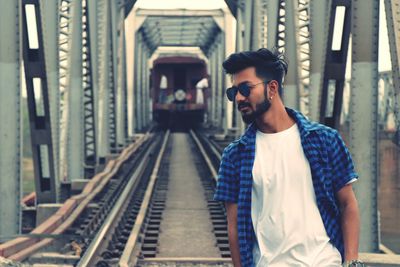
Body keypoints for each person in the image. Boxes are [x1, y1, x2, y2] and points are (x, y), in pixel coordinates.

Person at [214, 48, 363, 267]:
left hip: (325, 261)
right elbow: (234, 227)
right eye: (233, 92)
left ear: (272, 88)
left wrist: (351, 261)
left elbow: (348, 203)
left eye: (245, 88)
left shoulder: (325, 140)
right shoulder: (234, 156)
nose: (238, 98)